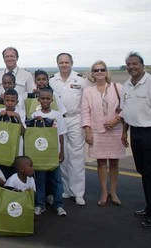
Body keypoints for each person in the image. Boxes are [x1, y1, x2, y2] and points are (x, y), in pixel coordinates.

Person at [121, 52, 151, 229]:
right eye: (128, 64)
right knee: (143, 171)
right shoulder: (127, 85)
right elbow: (125, 111)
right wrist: (124, 132)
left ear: (142, 65)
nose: (131, 67)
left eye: (135, 64)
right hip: (136, 133)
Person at [49, 52, 91, 206]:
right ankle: (66, 189)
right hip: (59, 120)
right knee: (62, 155)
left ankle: (78, 192)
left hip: (75, 119)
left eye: (67, 62)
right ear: (57, 63)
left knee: (77, 156)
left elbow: (88, 100)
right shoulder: (52, 80)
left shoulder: (81, 79)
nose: (64, 65)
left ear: (72, 63)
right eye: (61, 62)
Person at [81, 60, 125, 207]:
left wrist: (116, 120)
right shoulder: (88, 91)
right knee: (100, 162)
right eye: (96, 70)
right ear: (92, 73)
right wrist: (87, 131)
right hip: (97, 131)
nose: (99, 72)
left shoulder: (118, 87)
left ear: (107, 72)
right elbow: (85, 112)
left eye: (102, 69)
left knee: (114, 161)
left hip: (115, 130)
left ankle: (113, 191)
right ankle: (104, 192)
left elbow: (127, 107)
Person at [30, 89, 67, 216]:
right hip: (39, 154)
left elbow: (61, 134)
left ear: (52, 100)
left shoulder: (57, 115)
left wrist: (61, 151)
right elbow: (32, 136)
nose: (45, 101)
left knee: (56, 180)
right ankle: (40, 204)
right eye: (42, 98)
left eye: (48, 98)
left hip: (53, 153)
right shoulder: (35, 115)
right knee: (40, 179)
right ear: (38, 100)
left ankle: (59, 204)